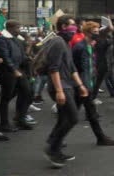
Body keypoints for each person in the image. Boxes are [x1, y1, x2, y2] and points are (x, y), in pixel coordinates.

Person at [44, 15, 89, 167]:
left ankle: (54, 145)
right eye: (72, 26)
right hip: (61, 86)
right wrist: (59, 91)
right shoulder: (57, 42)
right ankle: (52, 148)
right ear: (63, 26)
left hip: (68, 85)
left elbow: (71, 68)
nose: (75, 29)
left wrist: (80, 85)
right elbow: (53, 68)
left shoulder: (65, 42)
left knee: (65, 118)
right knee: (73, 118)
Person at [72, 21, 114, 146]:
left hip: (86, 86)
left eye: (98, 31)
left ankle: (101, 137)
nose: (97, 34)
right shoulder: (80, 47)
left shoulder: (90, 46)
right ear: (87, 33)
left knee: (88, 114)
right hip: (82, 87)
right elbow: (76, 69)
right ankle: (55, 140)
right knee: (72, 116)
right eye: (95, 32)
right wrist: (83, 86)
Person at [0, 20, 33, 131]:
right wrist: (13, 69)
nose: (19, 30)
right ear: (10, 28)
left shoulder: (16, 39)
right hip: (8, 73)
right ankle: (4, 124)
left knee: (27, 92)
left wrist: (27, 58)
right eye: (18, 28)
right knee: (6, 98)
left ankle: (20, 119)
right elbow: (5, 56)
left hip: (19, 70)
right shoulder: (2, 40)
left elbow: (20, 54)